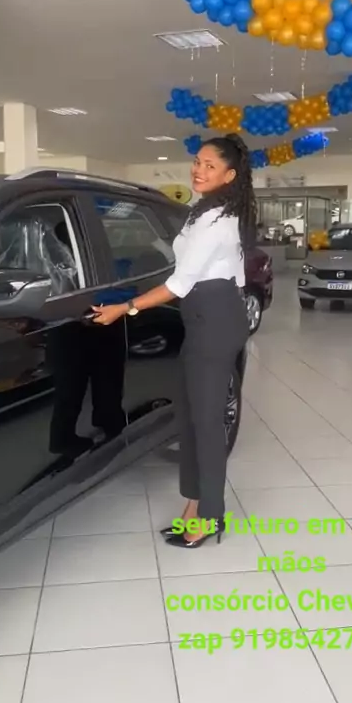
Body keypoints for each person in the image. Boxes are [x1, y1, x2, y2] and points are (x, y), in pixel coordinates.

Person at [91, 133, 256, 549]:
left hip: (214, 320)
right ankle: (192, 506)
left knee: (206, 424)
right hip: (205, 316)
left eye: (210, 166)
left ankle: (210, 515)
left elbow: (179, 284)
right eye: (198, 161)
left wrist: (125, 307)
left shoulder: (218, 221)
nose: (199, 170)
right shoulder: (206, 211)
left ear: (230, 176)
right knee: (191, 417)